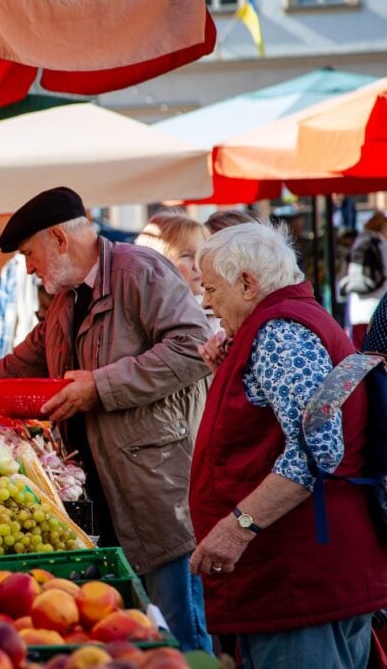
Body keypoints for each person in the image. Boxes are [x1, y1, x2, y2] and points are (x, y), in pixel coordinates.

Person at [0, 186, 214, 651]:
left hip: (156, 492)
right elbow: (9, 371)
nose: (28, 267)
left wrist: (98, 385)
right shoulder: (65, 301)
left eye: (30, 254)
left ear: (59, 239)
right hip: (101, 493)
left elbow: (192, 349)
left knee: (178, 636)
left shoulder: (140, 271)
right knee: (132, 638)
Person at [189, 222, 387, 668]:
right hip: (304, 570)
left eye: (212, 288)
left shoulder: (281, 333)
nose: (205, 302)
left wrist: (236, 527)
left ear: (247, 283)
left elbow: (317, 449)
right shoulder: (277, 325)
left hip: (301, 574)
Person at [135, 212, 220, 334]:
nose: (198, 265)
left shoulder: (223, 312)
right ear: (157, 262)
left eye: (202, 255)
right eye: (186, 256)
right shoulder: (142, 315)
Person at [339, 211, 387, 349]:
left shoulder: (359, 241)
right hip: (377, 307)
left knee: (360, 353)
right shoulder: (380, 243)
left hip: (358, 307)